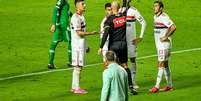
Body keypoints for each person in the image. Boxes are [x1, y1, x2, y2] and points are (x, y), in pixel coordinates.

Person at [98, 0, 137, 95]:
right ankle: (131, 86)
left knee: (110, 65)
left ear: (111, 8)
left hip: (114, 45)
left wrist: (101, 47)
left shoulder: (109, 20)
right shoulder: (124, 15)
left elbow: (106, 33)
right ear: (119, 8)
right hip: (123, 45)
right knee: (125, 65)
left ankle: (110, 87)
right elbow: (125, 6)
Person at [70, 0, 98, 94]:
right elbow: (79, 33)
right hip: (77, 46)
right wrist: (91, 33)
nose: (85, 5)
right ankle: (77, 88)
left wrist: (86, 45)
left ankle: (74, 87)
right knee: (78, 67)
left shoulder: (81, 16)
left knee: (77, 67)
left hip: (80, 45)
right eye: (83, 4)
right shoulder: (76, 18)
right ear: (77, 6)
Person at [149, 0, 176, 93]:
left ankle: (156, 86)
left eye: (156, 6)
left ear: (161, 8)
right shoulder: (155, 17)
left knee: (160, 64)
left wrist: (166, 36)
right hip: (160, 45)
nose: (154, 8)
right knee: (165, 65)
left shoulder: (164, 17)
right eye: (154, 6)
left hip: (164, 45)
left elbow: (173, 27)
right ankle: (170, 85)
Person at [126, 0, 146, 89]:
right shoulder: (119, 10)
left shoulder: (134, 10)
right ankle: (124, 81)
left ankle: (133, 81)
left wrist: (141, 36)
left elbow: (143, 22)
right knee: (121, 61)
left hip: (131, 41)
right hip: (121, 40)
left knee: (132, 59)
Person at [48, 0, 72, 69]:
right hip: (64, 26)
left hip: (59, 25)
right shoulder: (62, 0)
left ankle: (50, 63)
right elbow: (56, 10)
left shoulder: (64, 2)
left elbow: (64, 12)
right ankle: (70, 62)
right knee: (71, 41)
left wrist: (72, 15)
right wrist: (53, 24)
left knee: (54, 43)